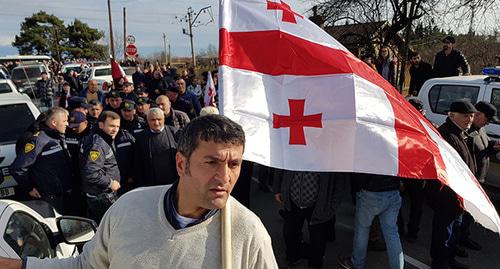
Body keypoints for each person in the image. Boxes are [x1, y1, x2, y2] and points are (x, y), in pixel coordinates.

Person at [0, 114, 278, 269]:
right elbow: (86, 267)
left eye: (234, 164)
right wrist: (17, 266)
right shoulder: (128, 209)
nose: (225, 176)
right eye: (212, 162)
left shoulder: (248, 232)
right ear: (181, 163)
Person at [427, 99, 477, 269]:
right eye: (465, 116)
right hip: (447, 196)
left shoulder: (460, 132)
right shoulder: (447, 135)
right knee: (443, 232)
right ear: (451, 115)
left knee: (454, 229)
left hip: (459, 196)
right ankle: (439, 263)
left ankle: (448, 260)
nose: (469, 119)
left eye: (471, 116)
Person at [9, 107, 73, 214]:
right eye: (65, 121)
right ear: (54, 122)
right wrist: (29, 188)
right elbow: (17, 168)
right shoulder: (38, 140)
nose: (67, 124)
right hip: (49, 196)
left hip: (63, 192)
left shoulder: (59, 136)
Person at [274, 170, 339, 269]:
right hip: (292, 202)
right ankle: (293, 258)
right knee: (290, 233)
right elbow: (281, 163)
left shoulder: (331, 155)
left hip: (319, 206)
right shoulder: (292, 153)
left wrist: (332, 206)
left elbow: (340, 179)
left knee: (318, 239)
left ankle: (315, 264)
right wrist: (277, 188)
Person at [338, 173, 404, 269]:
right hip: (392, 191)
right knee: (392, 233)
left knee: (362, 230)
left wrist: (357, 189)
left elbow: (360, 175)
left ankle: (357, 263)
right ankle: (398, 267)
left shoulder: (369, 157)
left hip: (370, 192)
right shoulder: (393, 156)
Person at [460, 101, 500, 252]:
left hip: (479, 181)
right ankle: (455, 243)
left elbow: (485, 146)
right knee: (462, 215)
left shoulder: (480, 130)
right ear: (477, 114)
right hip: (470, 182)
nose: (488, 123)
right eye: (487, 119)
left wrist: (494, 146)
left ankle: (464, 237)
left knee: (470, 215)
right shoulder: (467, 133)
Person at [80, 111, 121, 223]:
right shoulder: (98, 144)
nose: (115, 130)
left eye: (117, 126)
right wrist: (110, 183)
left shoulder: (103, 139)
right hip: (102, 197)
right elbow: (91, 173)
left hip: (102, 195)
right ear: (101, 125)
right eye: (112, 126)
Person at [134, 108, 178, 186]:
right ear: (147, 121)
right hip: (151, 183)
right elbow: (137, 163)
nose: (156, 123)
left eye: (159, 119)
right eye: (152, 120)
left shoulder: (176, 133)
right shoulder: (141, 138)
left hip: (174, 181)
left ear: (164, 119)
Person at [65, 111, 92, 216]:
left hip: (89, 176)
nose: (74, 129)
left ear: (85, 122)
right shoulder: (68, 132)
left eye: (77, 126)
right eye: (72, 126)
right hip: (75, 175)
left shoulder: (93, 134)